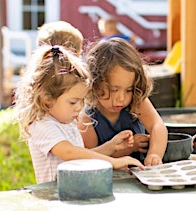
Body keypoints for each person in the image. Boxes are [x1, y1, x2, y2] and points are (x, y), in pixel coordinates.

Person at [14, 45, 144, 183]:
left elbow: (82, 158)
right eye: (73, 102)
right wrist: (113, 162)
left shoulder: (67, 122)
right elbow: (69, 153)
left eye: (82, 100)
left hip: (75, 193)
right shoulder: (41, 125)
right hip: (55, 197)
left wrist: (111, 146)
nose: (80, 107)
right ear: (48, 100)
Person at [78, 38, 168, 166]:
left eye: (128, 90)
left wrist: (154, 154)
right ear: (95, 83)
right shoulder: (87, 119)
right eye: (114, 90)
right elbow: (92, 158)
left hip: (142, 174)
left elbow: (157, 126)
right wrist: (129, 148)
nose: (121, 98)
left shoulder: (136, 100)